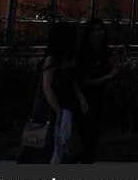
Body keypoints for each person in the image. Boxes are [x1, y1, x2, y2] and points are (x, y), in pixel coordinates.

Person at [18, 22, 88, 164]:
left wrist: (81, 99)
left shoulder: (67, 59)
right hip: (51, 107)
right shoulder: (52, 60)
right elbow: (47, 86)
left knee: (62, 142)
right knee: (48, 142)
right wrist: (57, 110)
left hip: (65, 105)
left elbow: (71, 81)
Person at [77, 18, 118, 163]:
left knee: (93, 136)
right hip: (87, 99)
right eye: (94, 30)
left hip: (100, 98)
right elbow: (84, 82)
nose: (98, 33)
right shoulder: (84, 54)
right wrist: (109, 77)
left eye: (100, 29)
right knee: (87, 136)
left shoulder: (106, 52)